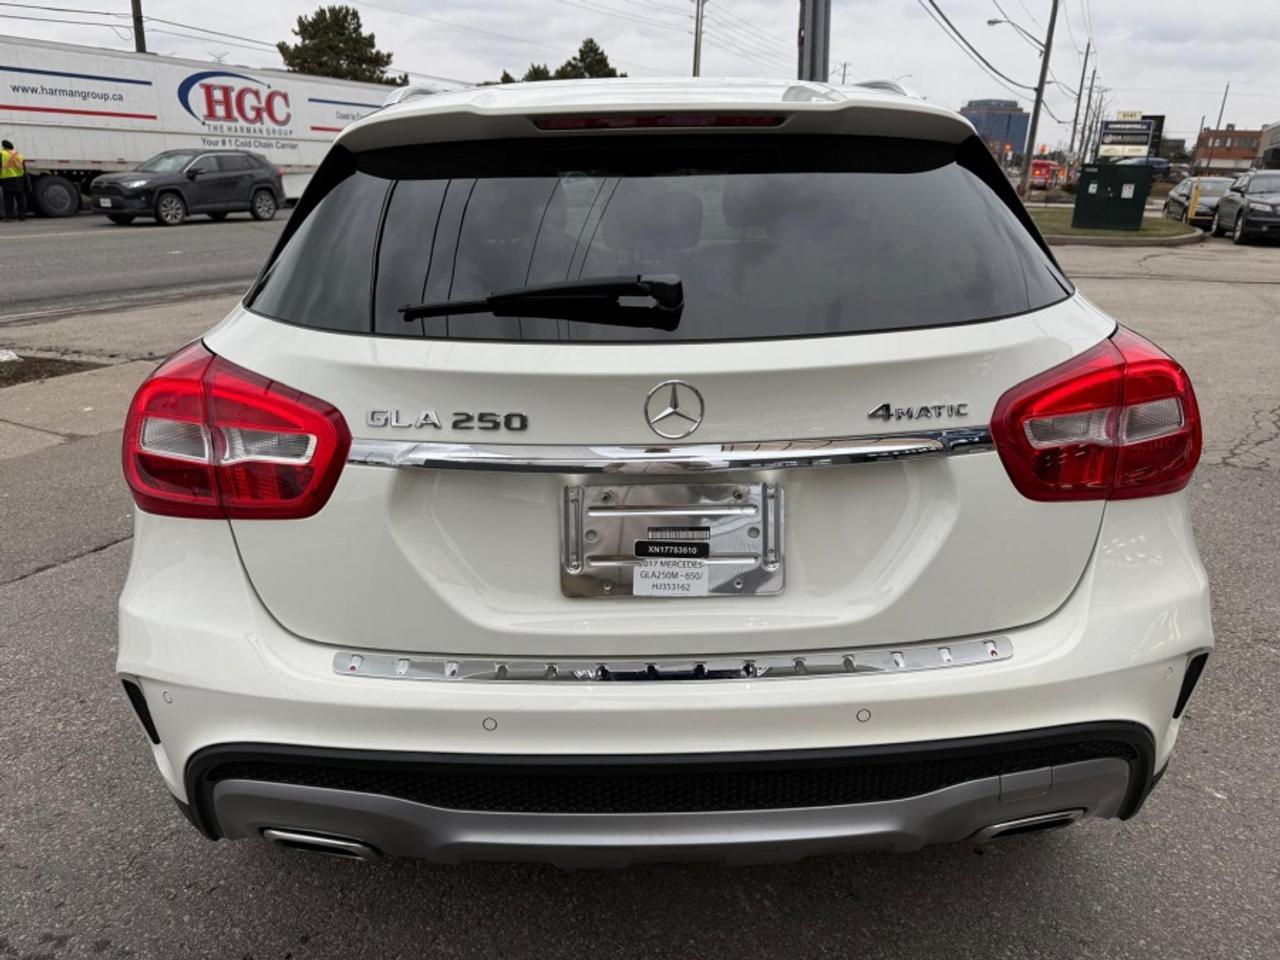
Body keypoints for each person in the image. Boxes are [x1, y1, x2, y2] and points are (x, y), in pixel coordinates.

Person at [1, 139, 28, 222]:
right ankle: (22, 217)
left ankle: (9, 217)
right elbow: (24, 168)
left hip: (7, 179)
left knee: (8, 199)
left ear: (4, 147)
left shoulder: (2, 153)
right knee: (20, 199)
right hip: (19, 179)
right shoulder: (19, 154)